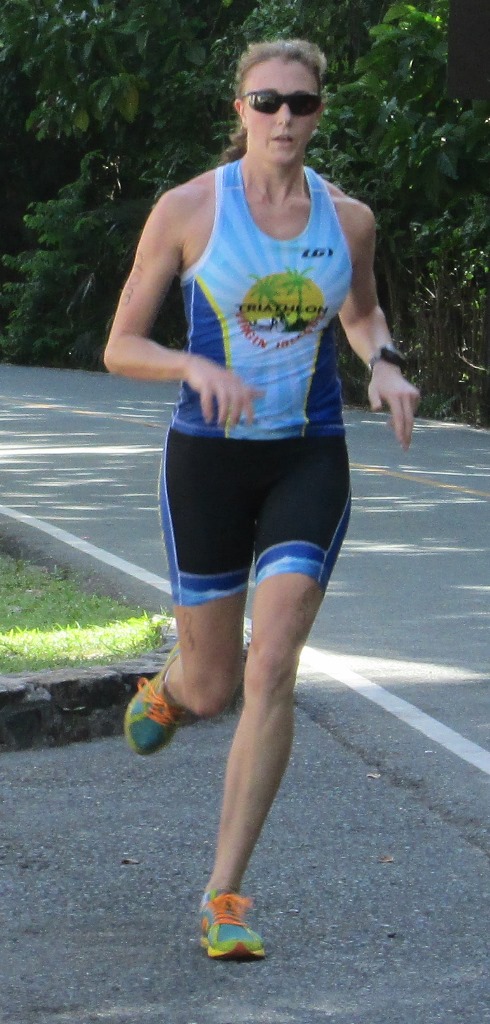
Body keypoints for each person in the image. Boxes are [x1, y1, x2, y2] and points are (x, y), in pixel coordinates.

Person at [104, 38, 420, 960]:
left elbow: (361, 313)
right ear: (238, 108)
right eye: (268, 101)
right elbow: (121, 345)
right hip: (207, 459)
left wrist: (386, 367)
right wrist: (190, 361)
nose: (286, 118)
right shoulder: (190, 209)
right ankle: (170, 687)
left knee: (273, 663)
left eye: (303, 104)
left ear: (321, 114)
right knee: (212, 685)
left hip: (307, 457)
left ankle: (225, 897)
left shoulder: (347, 219)